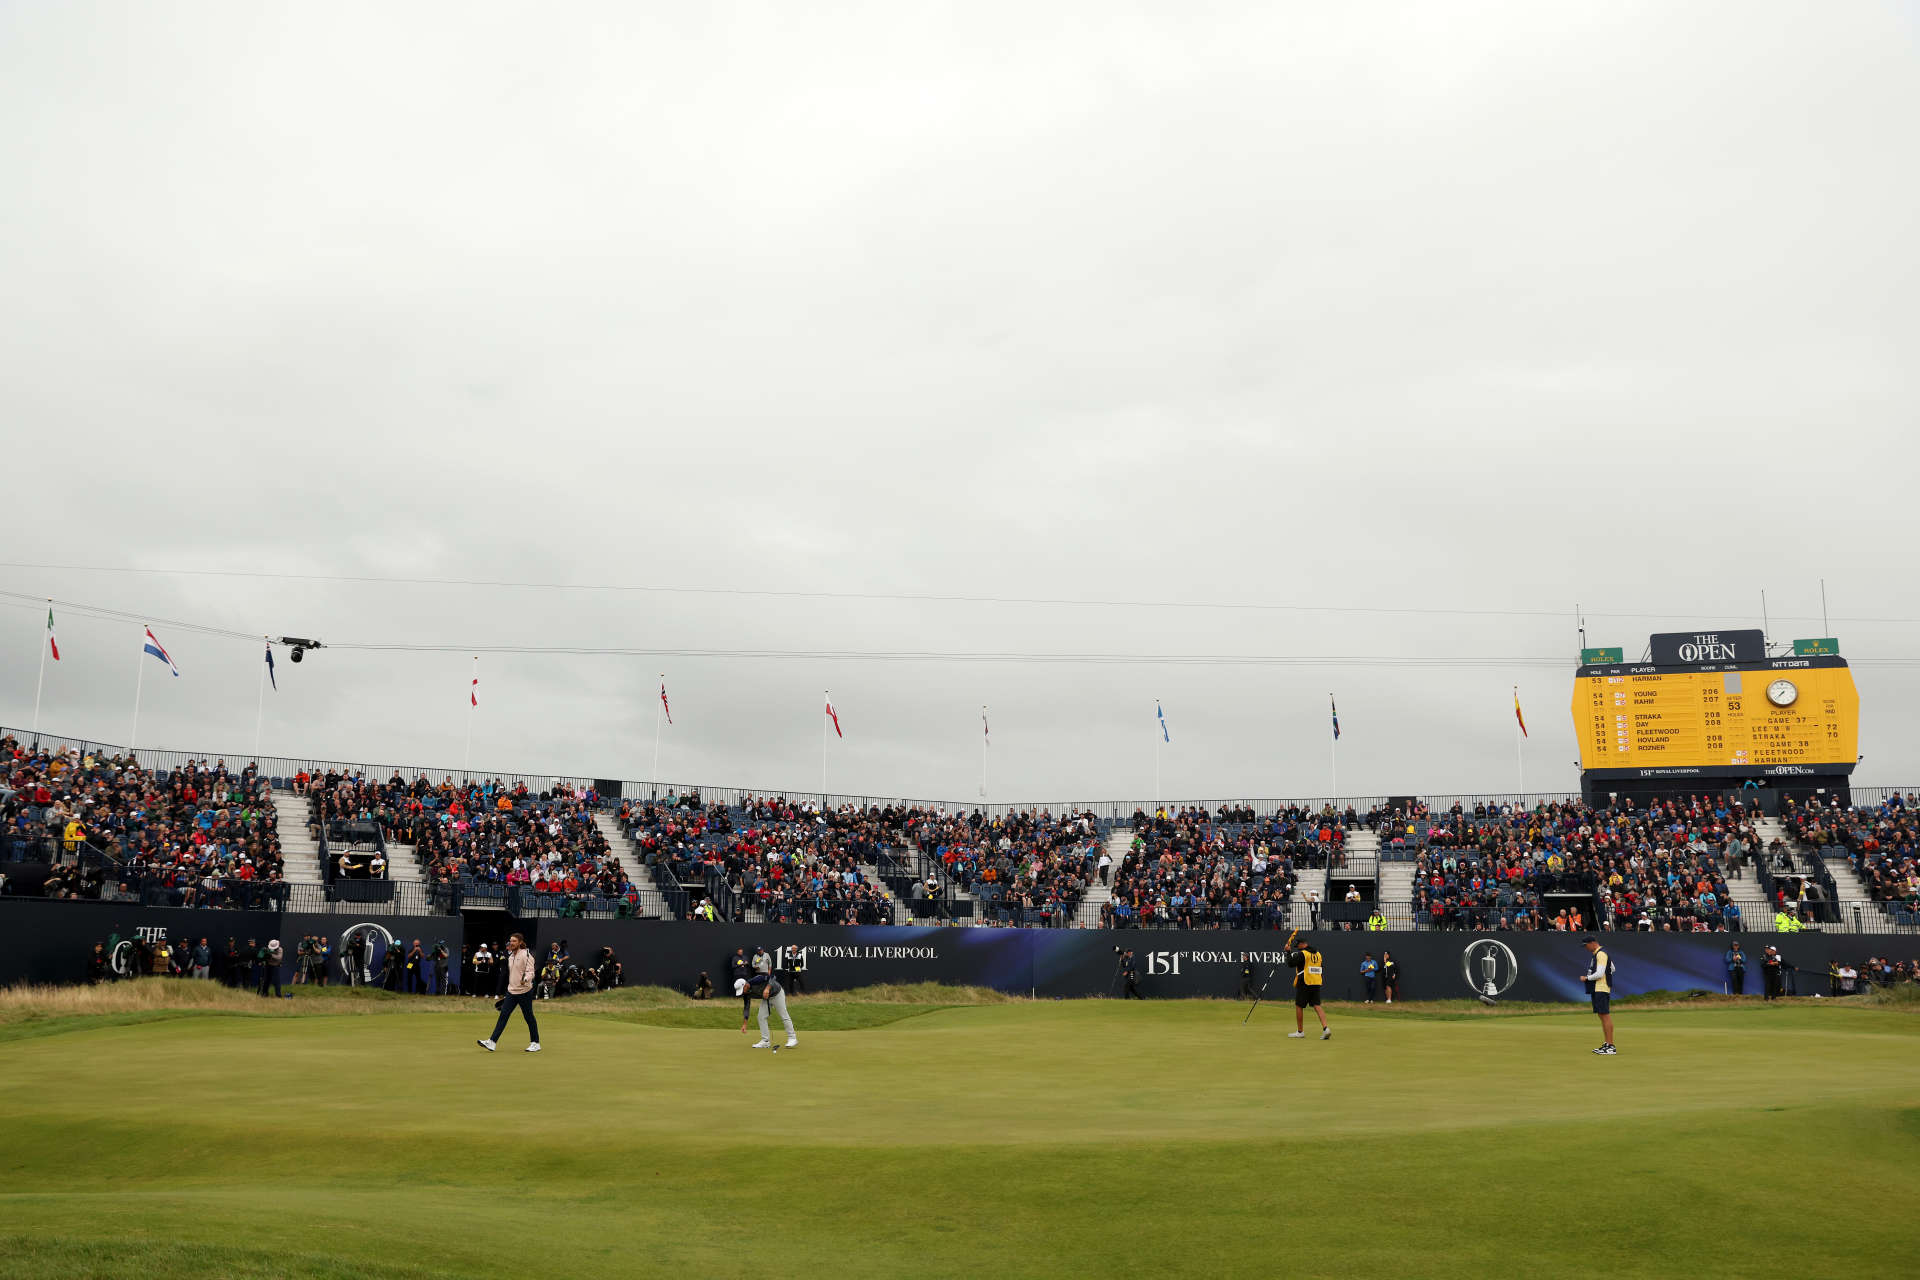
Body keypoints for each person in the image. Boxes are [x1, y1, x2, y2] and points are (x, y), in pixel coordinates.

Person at [477, 932, 540, 1053]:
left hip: (524, 991)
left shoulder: (526, 955)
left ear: (520, 942)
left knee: (529, 1017)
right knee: (503, 1016)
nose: (511, 943)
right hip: (511, 991)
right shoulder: (510, 956)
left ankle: (535, 1043)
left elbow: (531, 972)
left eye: (514, 941)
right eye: (511, 941)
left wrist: (525, 979)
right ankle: (492, 1042)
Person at [741, 945, 797, 1048]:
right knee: (761, 1017)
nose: (742, 993)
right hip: (767, 999)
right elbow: (746, 1008)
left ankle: (792, 1038)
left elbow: (773, 977)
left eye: (742, 990)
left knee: (783, 1015)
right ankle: (765, 1041)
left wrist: (767, 988)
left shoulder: (755, 979)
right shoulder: (746, 993)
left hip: (777, 993)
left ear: (745, 985)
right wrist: (745, 1023)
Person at [1286, 934, 1330, 1040]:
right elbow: (1321, 967)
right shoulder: (1318, 954)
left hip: (1305, 982)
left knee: (1299, 1005)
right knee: (1317, 1005)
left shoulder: (1303, 954)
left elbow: (1291, 963)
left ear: (1303, 944)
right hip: (1316, 982)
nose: (1298, 947)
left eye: (1298, 945)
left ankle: (1300, 1031)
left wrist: (1288, 952)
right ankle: (1326, 1029)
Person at [1578, 935, 1616, 1054]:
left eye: (1586, 945)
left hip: (1601, 988)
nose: (1586, 948)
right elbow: (1612, 968)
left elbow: (1599, 974)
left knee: (1605, 1016)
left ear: (1593, 943)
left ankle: (1610, 1046)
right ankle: (1607, 1044)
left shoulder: (1600, 954)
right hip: (1599, 988)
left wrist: (1587, 978)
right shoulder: (1599, 954)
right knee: (1602, 1016)